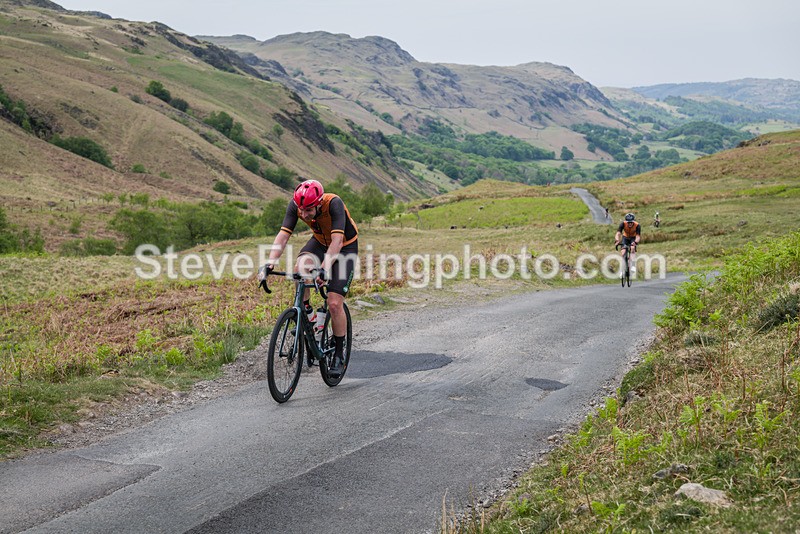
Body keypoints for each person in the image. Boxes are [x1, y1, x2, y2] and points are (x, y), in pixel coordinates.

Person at [258, 178, 359, 376]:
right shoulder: (296, 205)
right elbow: (283, 235)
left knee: (334, 303)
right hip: (320, 242)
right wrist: (270, 263)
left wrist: (323, 268)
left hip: (345, 247)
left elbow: (337, 241)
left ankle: (339, 352)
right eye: (301, 210)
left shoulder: (333, 203)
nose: (304, 214)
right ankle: (308, 316)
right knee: (299, 270)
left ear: (319, 203)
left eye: (309, 210)